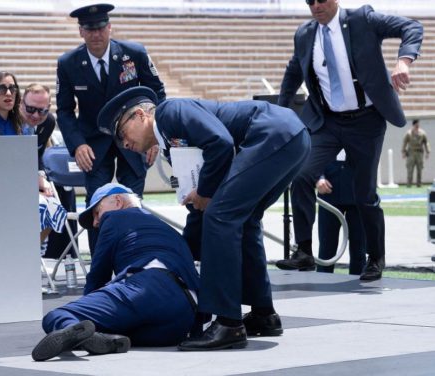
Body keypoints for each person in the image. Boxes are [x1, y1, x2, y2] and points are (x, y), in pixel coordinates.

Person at [97, 86, 310, 350]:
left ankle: (228, 324)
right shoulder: (170, 144)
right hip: (289, 136)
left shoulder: (170, 113)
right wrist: (184, 252)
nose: (124, 144)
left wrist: (206, 194)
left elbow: (219, 143)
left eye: (121, 133)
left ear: (140, 115)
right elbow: (198, 202)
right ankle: (263, 314)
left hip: (272, 133)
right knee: (243, 219)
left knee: (221, 217)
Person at [275, 0, 423, 282]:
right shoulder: (305, 34)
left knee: (364, 194)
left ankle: (375, 257)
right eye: (309, 1)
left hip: (366, 121)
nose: (315, 6)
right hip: (328, 121)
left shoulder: (362, 19)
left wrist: (403, 62)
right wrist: (281, 113)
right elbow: (293, 72)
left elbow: (412, 27)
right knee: (303, 175)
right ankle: (304, 250)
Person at [32, 183, 199, 361]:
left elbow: (98, 275)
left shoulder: (115, 218)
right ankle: (99, 339)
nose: (96, 223)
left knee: (57, 316)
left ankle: (79, 332)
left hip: (148, 286)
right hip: (184, 314)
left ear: (118, 201)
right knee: (118, 328)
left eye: (97, 213)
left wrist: (86, 307)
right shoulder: (168, 229)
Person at [56, 3, 166, 251]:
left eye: (101, 27)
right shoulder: (68, 63)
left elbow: (157, 93)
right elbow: (64, 110)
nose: (96, 34)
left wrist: (154, 135)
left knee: (132, 204)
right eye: (89, 29)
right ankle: (100, 270)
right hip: (93, 146)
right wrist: (77, 144)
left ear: (109, 27)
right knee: (99, 207)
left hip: (136, 141)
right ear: (81, 31)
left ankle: (135, 260)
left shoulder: (134, 54)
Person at [19, 83, 77, 254]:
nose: (36, 115)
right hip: (10, 181)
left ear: (49, 108)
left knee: (55, 207)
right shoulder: (10, 121)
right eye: (30, 109)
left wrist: (41, 179)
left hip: (31, 177)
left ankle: (30, 251)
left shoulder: (49, 122)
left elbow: (38, 153)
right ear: (21, 104)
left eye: (42, 111)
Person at [316, 152, 367, 275]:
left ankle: (357, 284)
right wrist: (318, 177)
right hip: (328, 194)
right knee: (326, 248)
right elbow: (315, 155)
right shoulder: (325, 132)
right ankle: (322, 284)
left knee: (359, 249)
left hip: (357, 193)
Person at [402, 119, 430, 187]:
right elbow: (405, 143)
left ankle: (419, 184)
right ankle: (409, 184)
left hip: (419, 153)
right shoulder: (409, 133)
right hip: (411, 153)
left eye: (418, 124)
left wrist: (427, 152)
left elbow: (426, 143)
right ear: (413, 125)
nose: (417, 126)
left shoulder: (422, 133)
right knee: (410, 169)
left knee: (420, 169)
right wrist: (403, 152)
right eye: (416, 124)